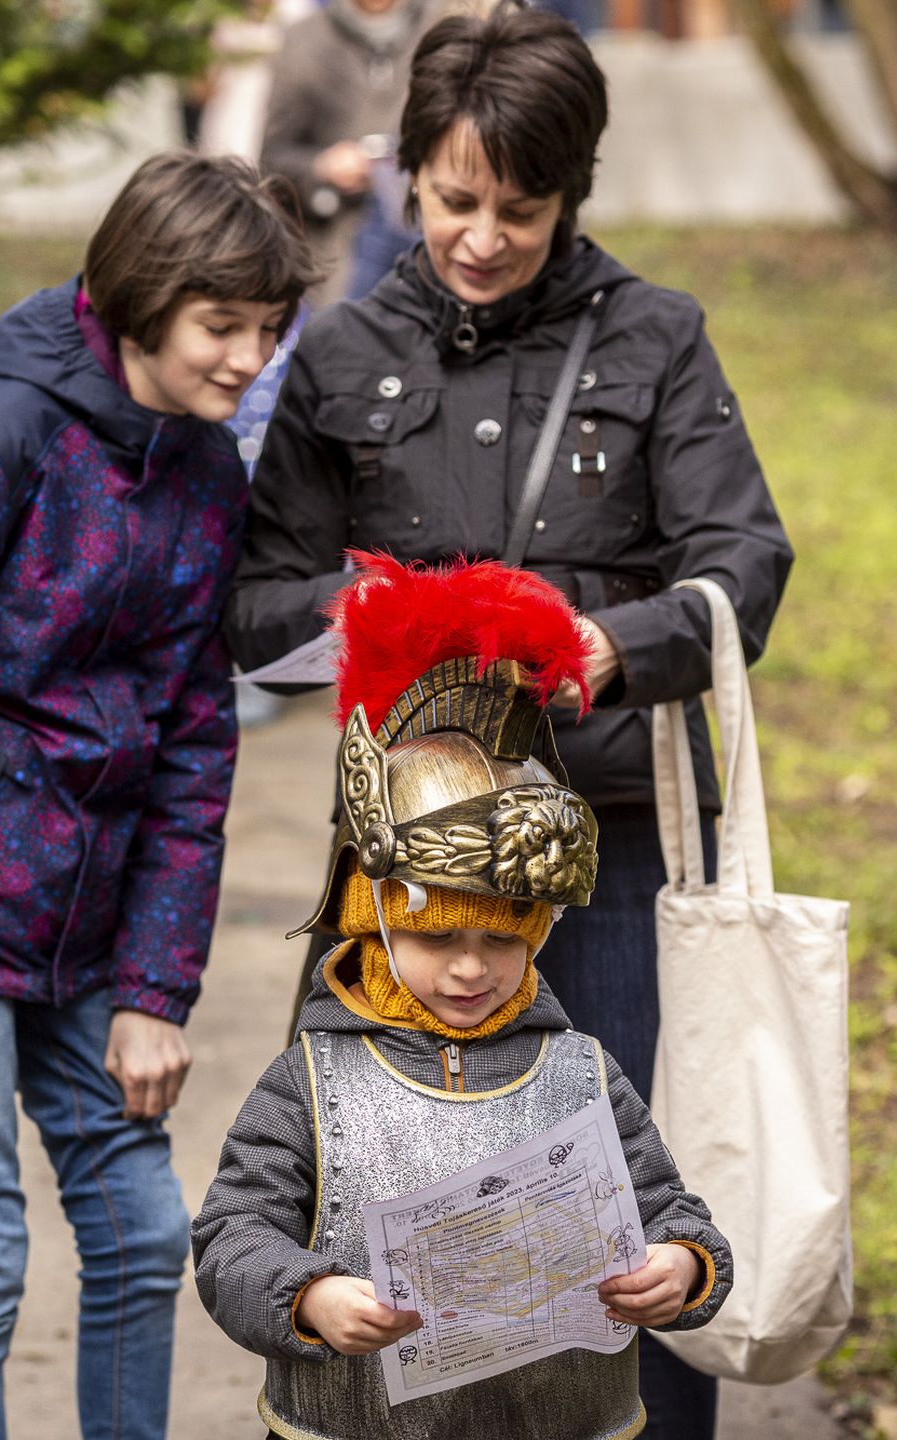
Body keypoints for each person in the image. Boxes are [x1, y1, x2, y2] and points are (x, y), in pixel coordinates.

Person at [225, 8, 792, 1433]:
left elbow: (745, 562)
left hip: (607, 845)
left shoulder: (659, 338)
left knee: (628, 1188)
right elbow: (252, 600)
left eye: (520, 210)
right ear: (409, 171)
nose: (480, 234)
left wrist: (616, 640)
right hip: (404, 863)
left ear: (571, 190)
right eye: (454, 198)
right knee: (384, 1187)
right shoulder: (343, 353)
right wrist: (363, 626)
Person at [0, 152, 320, 1440]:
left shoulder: (203, 472)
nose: (249, 358)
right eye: (221, 326)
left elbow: (198, 745)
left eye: (268, 329)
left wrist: (155, 991)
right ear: (140, 299)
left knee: (143, 1228)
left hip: (96, 929)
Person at [193, 557, 732, 1440]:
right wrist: (310, 1297)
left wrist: (684, 1266)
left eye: (503, 940)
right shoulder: (309, 1085)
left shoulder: (585, 1074)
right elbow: (231, 1239)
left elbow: (674, 1213)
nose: (472, 970)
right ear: (374, 924)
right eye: (438, 939)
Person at [260, 0, 427, 302]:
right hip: (341, 238)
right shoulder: (304, 41)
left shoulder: (439, 26)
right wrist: (322, 166)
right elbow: (271, 158)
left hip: (425, 226)